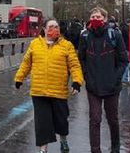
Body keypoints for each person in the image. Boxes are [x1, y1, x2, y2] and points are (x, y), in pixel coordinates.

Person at [15, 18, 84, 153]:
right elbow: (26, 63)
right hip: (39, 91)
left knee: (61, 120)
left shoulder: (67, 45)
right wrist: (19, 78)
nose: (55, 29)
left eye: (56, 27)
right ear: (44, 29)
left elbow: (74, 65)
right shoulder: (35, 44)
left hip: (58, 91)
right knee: (42, 123)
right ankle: (43, 150)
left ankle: (63, 139)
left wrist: (77, 82)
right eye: (51, 27)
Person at [78, 7, 128, 153]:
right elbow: (81, 58)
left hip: (112, 86)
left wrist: (116, 77)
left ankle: (115, 147)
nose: (95, 19)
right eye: (93, 16)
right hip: (93, 86)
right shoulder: (85, 36)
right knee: (95, 119)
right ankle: (95, 150)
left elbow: (123, 60)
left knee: (112, 119)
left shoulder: (115, 35)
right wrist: (87, 76)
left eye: (98, 17)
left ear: (105, 19)